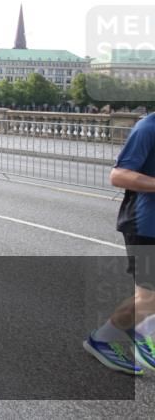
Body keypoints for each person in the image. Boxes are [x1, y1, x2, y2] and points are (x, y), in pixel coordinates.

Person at [84, 112, 155, 375]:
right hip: (146, 224)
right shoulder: (148, 127)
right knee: (148, 298)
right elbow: (119, 175)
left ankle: (143, 330)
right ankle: (102, 340)